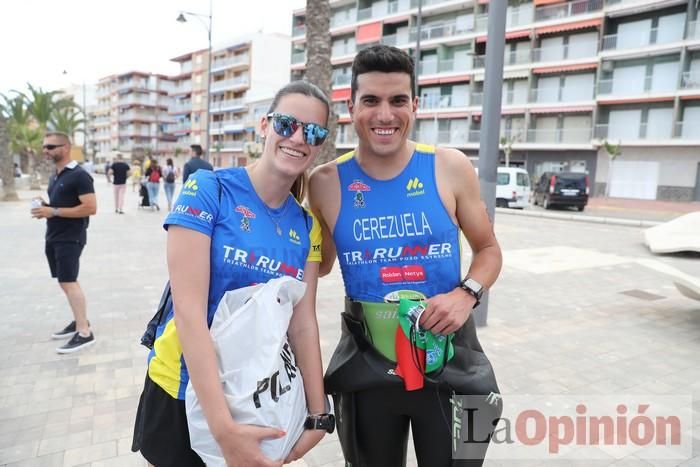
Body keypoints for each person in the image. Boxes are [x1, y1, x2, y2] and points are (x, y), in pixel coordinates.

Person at [308, 45, 503, 467]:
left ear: (415, 104)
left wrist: (466, 294)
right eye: (371, 100)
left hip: (453, 357)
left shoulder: (450, 167)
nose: (385, 115)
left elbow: (488, 251)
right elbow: (315, 266)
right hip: (366, 364)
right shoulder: (324, 183)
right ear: (351, 105)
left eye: (398, 100)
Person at [132, 81, 333, 467]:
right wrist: (222, 429)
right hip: (180, 389)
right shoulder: (209, 189)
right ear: (264, 125)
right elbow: (189, 313)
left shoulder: (307, 226)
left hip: (255, 395)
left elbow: (303, 324)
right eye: (287, 123)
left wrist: (319, 412)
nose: (298, 137)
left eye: (313, 131)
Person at [31, 131, 97, 354]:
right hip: (54, 235)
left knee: (69, 281)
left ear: (66, 147)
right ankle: (80, 321)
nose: (46, 151)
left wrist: (54, 210)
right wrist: (46, 206)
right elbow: (57, 208)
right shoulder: (55, 176)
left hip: (71, 236)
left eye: (50, 147)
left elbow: (91, 207)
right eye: (44, 147)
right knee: (63, 281)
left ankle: (85, 333)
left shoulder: (80, 176)